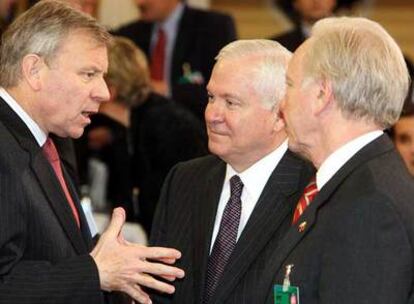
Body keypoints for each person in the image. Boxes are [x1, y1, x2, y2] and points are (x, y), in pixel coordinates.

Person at [0, 1, 184, 304]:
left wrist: (115, 265)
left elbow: (65, 252)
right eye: (88, 74)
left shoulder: (52, 141)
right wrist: (96, 272)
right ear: (34, 71)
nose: (104, 92)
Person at [149, 39, 314, 303]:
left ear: (279, 115)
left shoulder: (312, 191)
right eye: (212, 97)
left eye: (231, 103)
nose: (212, 114)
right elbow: (158, 290)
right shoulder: (185, 180)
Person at [276, 16, 414, 303]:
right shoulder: (355, 181)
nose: (281, 103)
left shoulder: (368, 206)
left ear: (322, 95)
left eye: (289, 84)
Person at [77, 36, 207, 233]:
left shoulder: (171, 126)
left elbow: (176, 207)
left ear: (110, 89)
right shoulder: (123, 127)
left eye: (89, 77)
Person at [113, 0, 237, 121]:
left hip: (196, 132)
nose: (138, 3)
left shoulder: (215, 27)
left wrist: (167, 90)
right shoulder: (129, 33)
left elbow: (226, 90)